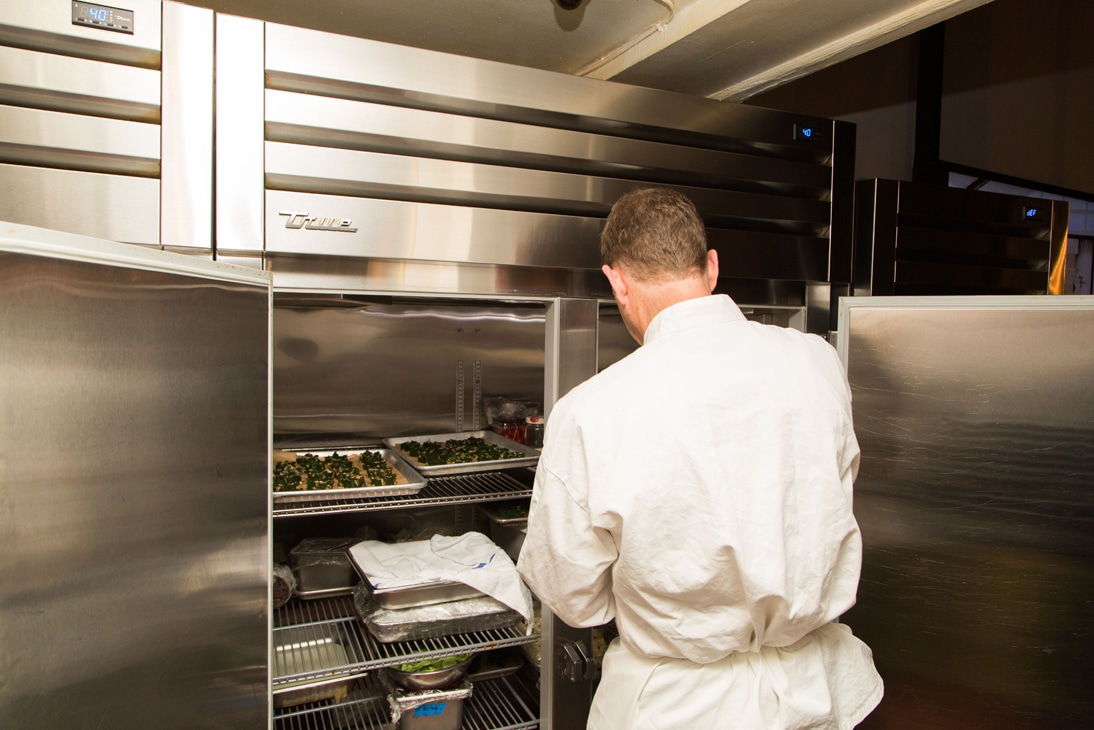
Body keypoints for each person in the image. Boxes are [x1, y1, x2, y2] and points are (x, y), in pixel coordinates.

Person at [515, 187, 883, 729]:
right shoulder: (815, 360)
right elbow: (835, 491)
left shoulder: (591, 411)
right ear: (711, 267)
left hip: (679, 708)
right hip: (820, 696)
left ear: (615, 280)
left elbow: (573, 597)